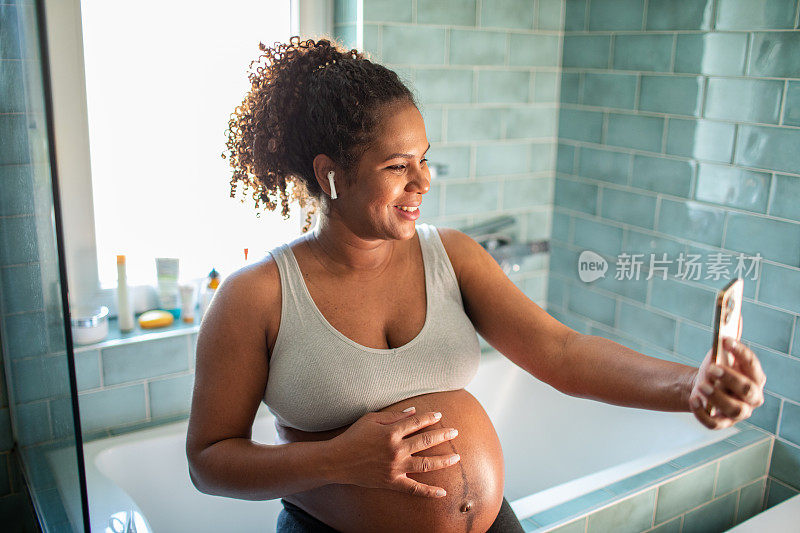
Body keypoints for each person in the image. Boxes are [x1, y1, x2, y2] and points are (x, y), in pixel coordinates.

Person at [185, 37, 767, 533]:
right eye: (397, 166)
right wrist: (338, 460)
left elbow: (561, 352)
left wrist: (691, 387)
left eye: (424, 159)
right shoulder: (257, 296)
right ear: (329, 174)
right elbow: (209, 462)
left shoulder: (452, 255)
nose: (423, 181)